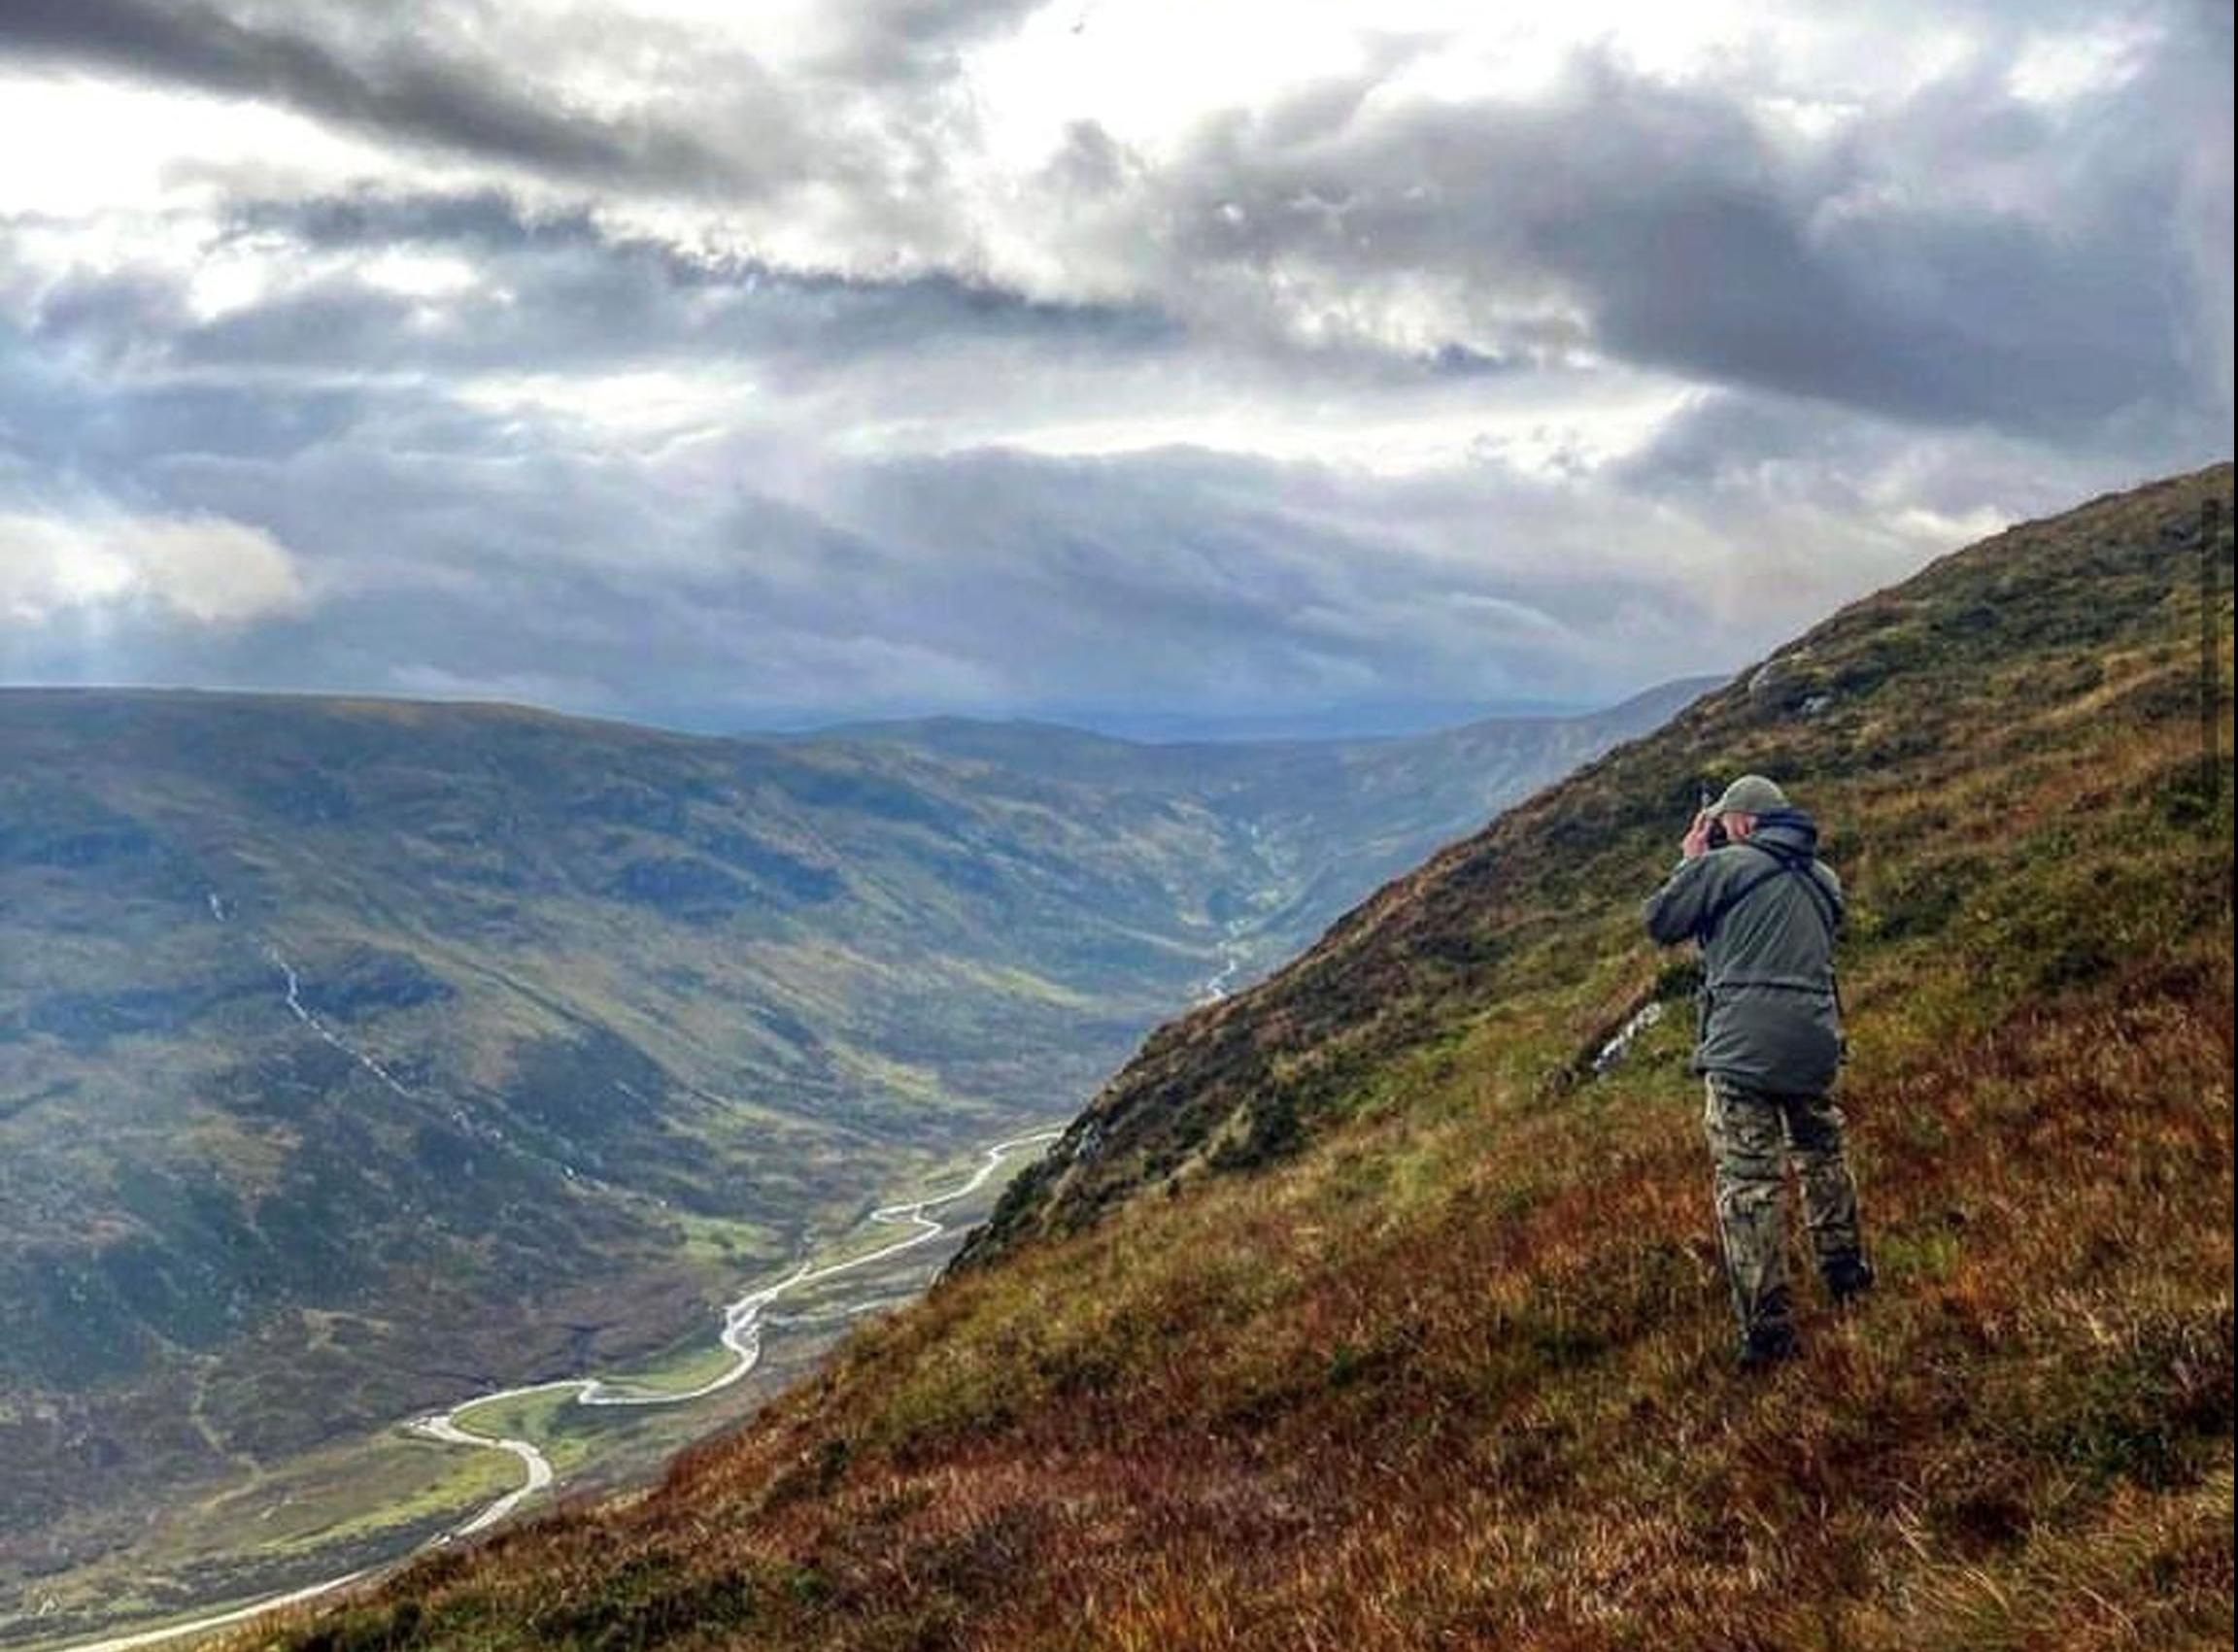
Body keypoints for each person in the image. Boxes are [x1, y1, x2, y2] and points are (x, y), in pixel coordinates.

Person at [1644, 774, 1874, 1369]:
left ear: (1743, 822)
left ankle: (1769, 1329)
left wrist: (1692, 862)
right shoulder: (1824, 879)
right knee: (1822, 1155)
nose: (1717, 831)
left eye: (1722, 823)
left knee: (1749, 1182)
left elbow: (1663, 921)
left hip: (1742, 1049)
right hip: (1815, 1041)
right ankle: (1847, 1274)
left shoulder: (1724, 868)